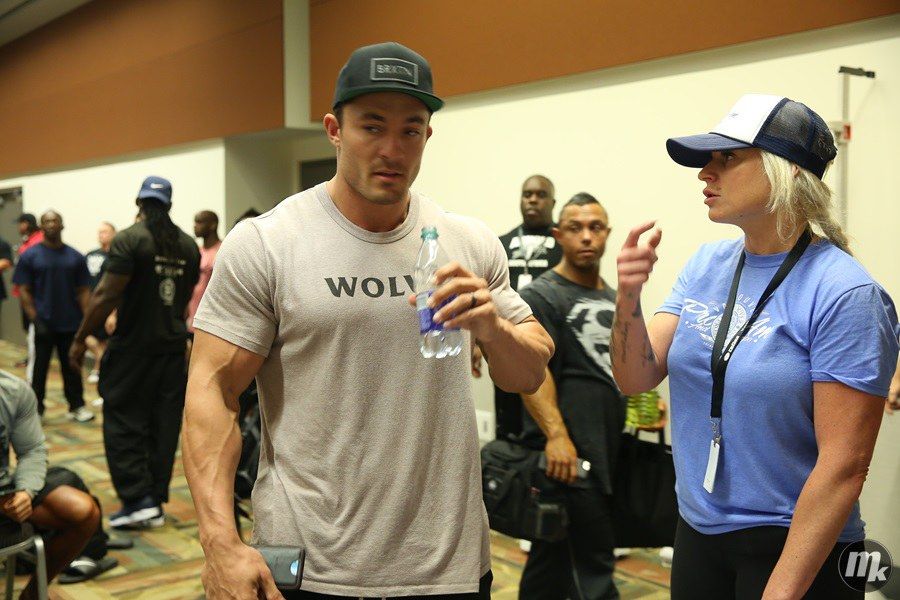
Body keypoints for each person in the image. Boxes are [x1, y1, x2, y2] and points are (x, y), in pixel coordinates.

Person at [182, 41, 553, 599]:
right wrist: (219, 542)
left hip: (446, 566)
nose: (391, 149)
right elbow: (212, 390)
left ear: (427, 136)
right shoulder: (268, 242)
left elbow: (528, 372)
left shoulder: (468, 242)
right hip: (311, 563)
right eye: (372, 126)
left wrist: (493, 330)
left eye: (410, 130)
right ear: (334, 129)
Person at [610, 94, 899, 599]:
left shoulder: (845, 294)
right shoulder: (706, 264)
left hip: (796, 545)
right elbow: (634, 378)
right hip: (698, 531)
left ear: (787, 170)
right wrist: (628, 296)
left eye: (727, 158)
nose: (705, 173)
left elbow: (844, 467)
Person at [68, 176, 200, 529]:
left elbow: (106, 294)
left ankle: (137, 498)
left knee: (124, 422)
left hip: (133, 350)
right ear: (169, 205)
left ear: (139, 203)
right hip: (172, 351)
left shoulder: (130, 238)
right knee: (162, 425)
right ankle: (153, 499)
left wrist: (81, 338)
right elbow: (183, 297)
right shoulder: (188, 246)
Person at [515, 193, 623, 599]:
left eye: (595, 227)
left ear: (607, 233)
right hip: (568, 459)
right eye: (576, 228)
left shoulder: (611, 296)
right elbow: (534, 373)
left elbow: (611, 367)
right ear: (559, 235)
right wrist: (557, 436)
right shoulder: (543, 295)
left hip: (605, 451)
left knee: (551, 565)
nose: (587, 237)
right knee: (594, 571)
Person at [0, 369, 102, 599]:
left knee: (82, 511)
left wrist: (25, 492)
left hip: (4, 493)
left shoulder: (13, 390)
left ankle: (32, 595)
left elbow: (31, 450)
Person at [494, 175, 564, 439]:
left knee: (549, 420)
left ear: (553, 202)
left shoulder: (565, 243)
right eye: (527, 194)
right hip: (508, 344)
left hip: (554, 346)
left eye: (541, 195)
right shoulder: (500, 243)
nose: (533, 200)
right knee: (510, 416)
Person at [12, 211, 94, 422]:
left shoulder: (75, 257)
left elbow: (83, 291)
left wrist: (87, 322)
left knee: (72, 366)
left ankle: (76, 406)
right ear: (41, 226)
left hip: (70, 323)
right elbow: (24, 291)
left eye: (55, 221)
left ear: (62, 225)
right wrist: (35, 319)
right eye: (47, 221)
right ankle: (36, 409)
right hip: (43, 323)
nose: (51, 224)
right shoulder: (30, 256)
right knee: (39, 369)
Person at [84, 222, 116, 384]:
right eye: (100, 232)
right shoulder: (91, 255)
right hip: (91, 303)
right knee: (87, 335)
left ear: (114, 234)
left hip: (108, 304)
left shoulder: (116, 256)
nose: (101, 235)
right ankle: (101, 362)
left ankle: (99, 369)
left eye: (105, 232)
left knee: (105, 339)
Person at [13, 214, 44, 369]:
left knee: (34, 328)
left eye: (20, 224)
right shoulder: (28, 240)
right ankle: (31, 357)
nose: (19, 227)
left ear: (26, 223)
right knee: (28, 329)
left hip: (34, 294)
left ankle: (36, 360)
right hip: (24, 292)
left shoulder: (39, 240)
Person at [185, 210, 221, 335]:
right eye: (195, 222)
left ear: (213, 225)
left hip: (213, 321)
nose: (195, 226)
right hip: (192, 318)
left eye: (200, 222)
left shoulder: (222, 251)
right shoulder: (196, 251)